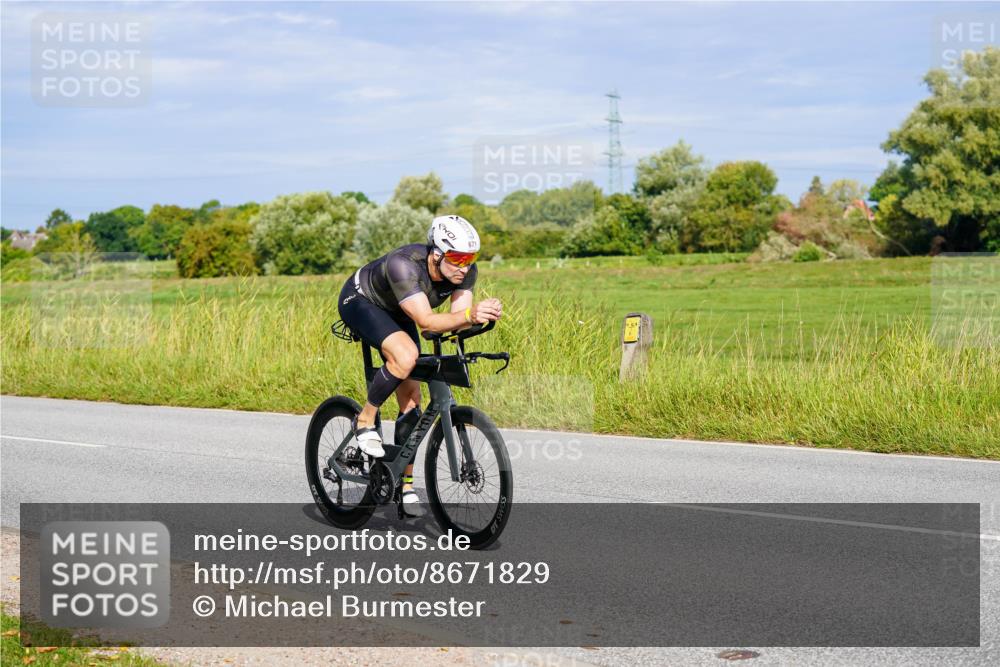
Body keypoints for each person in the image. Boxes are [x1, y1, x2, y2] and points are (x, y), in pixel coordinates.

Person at [337, 214, 503, 508]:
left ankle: (403, 483)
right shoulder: (403, 264)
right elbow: (427, 320)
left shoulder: (464, 271)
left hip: (402, 308)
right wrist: (469, 315)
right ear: (437, 254)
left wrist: (479, 318)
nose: (464, 267)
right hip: (362, 301)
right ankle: (364, 420)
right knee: (405, 357)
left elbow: (449, 323)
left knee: (412, 398)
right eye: (457, 258)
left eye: (470, 259)